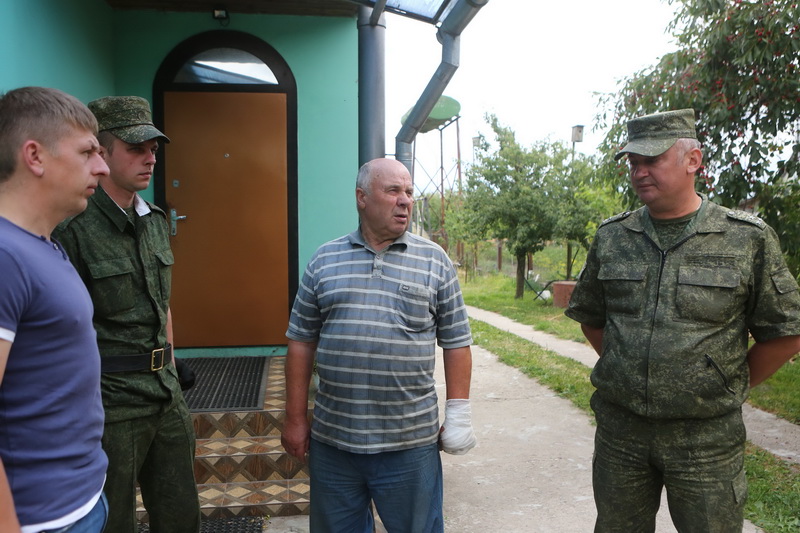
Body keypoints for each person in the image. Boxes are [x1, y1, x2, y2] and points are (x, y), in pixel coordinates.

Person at [566, 108, 800, 533]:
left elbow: (786, 333)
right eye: (633, 163)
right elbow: (591, 318)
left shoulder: (746, 237)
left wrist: (725, 380)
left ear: (693, 161)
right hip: (623, 434)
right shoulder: (613, 236)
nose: (639, 172)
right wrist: (631, 367)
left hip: (705, 442)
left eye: (651, 160)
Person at [282, 158, 477, 533]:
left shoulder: (434, 260)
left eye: (408, 192)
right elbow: (301, 341)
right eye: (393, 191)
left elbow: (457, 342)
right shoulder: (324, 260)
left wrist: (458, 414)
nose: (405, 201)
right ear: (362, 198)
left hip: (410, 444)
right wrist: (295, 417)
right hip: (335, 442)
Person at [54, 96, 200, 533]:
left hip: (165, 393)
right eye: (137, 148)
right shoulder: (72, 228)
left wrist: (171, 368)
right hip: (110, 402)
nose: (150, 158)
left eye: (154, 148)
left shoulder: (153, 219)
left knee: (180, 516)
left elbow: (162, 302)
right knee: (111, 520)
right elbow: (64, 327)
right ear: (101, 152)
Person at [0, 86, 110, 532]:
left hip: (80, 500)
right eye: (87, 152)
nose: (101, 167)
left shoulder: (42, 245)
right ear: (35, 156)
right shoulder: (6, 256)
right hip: (42, 519)